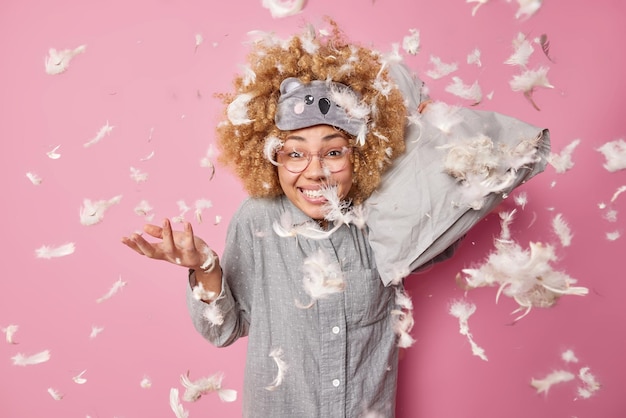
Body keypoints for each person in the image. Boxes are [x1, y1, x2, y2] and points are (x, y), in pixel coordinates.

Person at [121, 18, 549, 418]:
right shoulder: (256, 221)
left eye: (333, 151)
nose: (315, 170)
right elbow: (226, 329)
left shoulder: (388, 223)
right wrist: (205, 268)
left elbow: (465, 189)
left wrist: (428, 132)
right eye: (294, 153)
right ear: (269, 157)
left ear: (359, 156)